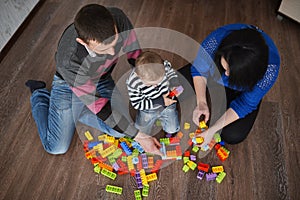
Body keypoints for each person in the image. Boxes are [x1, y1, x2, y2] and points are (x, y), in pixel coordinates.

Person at [25, 4, 162, 156]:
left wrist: (150, 83)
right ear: (84, 42)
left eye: (114, 42)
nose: (111, 52)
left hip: (101, 78)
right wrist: (140, 137)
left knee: (119, 131)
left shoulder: (118, 18)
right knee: (57, 147)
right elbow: (101, 107)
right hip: (68, 84)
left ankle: (79, 109)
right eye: (103, 49)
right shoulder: (69, 60)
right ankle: (39, 94)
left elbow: (135, 55)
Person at [183, 23, 280, 156]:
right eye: (225, 67)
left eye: (231, 72)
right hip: (211, 74)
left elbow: (246, 103)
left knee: (233, 135)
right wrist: (201, 102)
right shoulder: (216, 39)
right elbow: (199, 69)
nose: (226, 75)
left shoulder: (270, 69)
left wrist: (214, 128)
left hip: (240, 90)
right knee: (171, 85)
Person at [126, 51, 181, 138]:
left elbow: (171, 73)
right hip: (148, 109)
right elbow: (137, 104)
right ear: (139, 76)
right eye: (150, 84)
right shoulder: (133, 83)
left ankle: (169, 130)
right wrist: (160, 101)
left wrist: (174, 83)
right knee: (141, 133)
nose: (155, 86)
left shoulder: (164, 66)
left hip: (168, 106)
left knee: (172, 129)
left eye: (160, 81)